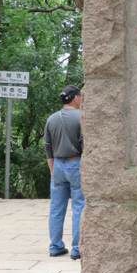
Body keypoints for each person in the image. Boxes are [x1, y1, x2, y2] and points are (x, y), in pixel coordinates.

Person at [43, 84, 85, 259]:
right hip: (76, 163)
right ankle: (76, 248)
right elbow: (84, 145)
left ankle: (55, 246)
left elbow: (48, 147)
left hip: (58, 166)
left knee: (56, 208)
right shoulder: (82, 118)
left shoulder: (52, 119)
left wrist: (53, 171)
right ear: (75, 97)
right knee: (79, 207)